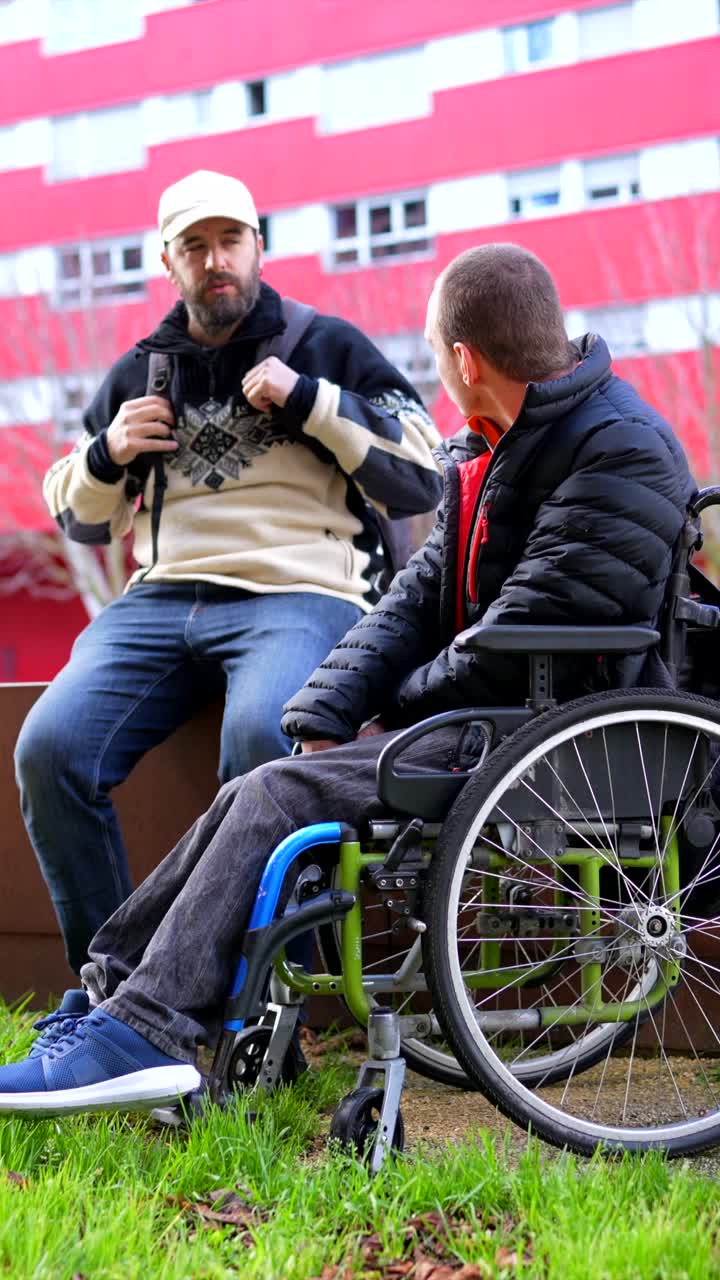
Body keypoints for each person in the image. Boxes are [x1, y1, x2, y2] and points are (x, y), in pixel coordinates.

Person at [0, 243, 695, 1114]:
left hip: (558, 732)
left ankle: (147, 1031)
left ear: (463, 361)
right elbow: (412, 602)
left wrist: (387, 715)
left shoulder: (616, 449)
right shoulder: (503, 446)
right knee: (264, 780)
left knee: (275, 799)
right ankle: (113, 998)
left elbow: (524, 633)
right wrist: (328, 705)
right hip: (503, 712)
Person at [13, 169, 442, 978]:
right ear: (168, 264)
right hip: (163, 597)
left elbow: (422, 470)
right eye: (195, 246)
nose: (216, 260)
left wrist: (312, 400)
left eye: (230, 240)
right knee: (49, 749)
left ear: (258, 245)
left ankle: (266, 995)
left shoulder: (326, 344)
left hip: (303, 592)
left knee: (262, 737)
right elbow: (78, 517)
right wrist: (109, 452)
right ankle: (115, 994)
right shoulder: (140, 373)